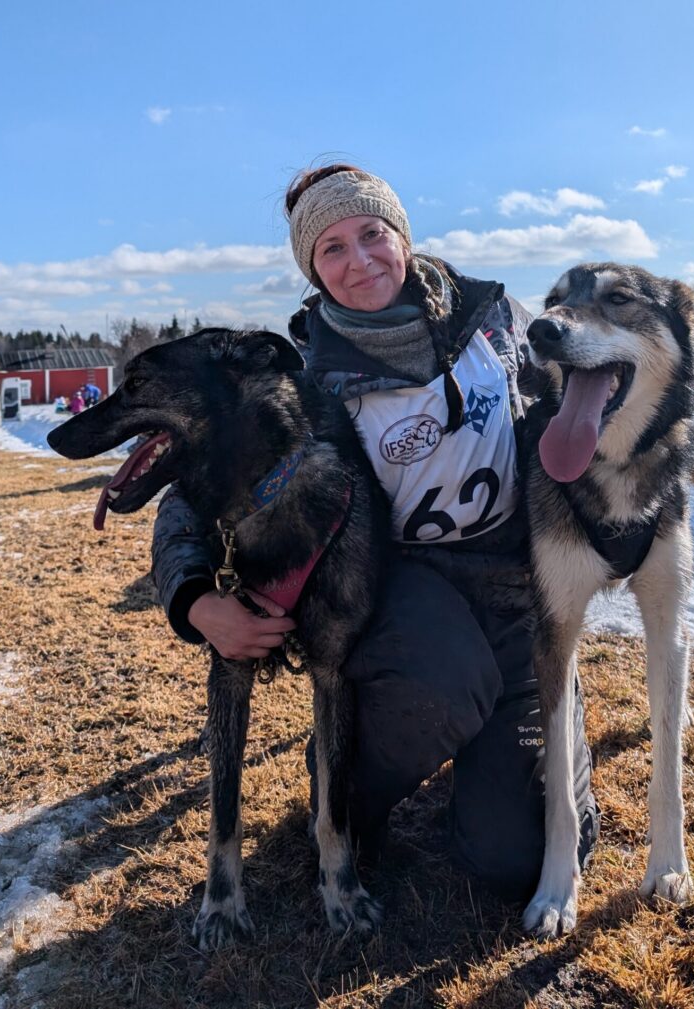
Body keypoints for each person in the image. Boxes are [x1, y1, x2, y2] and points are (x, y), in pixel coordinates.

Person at [150, 165, 598, 901]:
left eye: (371, 234)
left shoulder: (495, 319)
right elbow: (192, 497)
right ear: (311, 268)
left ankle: (524, 754)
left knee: (516, 859)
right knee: (446, 680)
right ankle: (346, 790)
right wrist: (195, 597)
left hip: (521, 589)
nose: (358, 261)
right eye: (331, 249)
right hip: (402, 588)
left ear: (402, 235)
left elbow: (571, 417)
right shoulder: (299, 379)